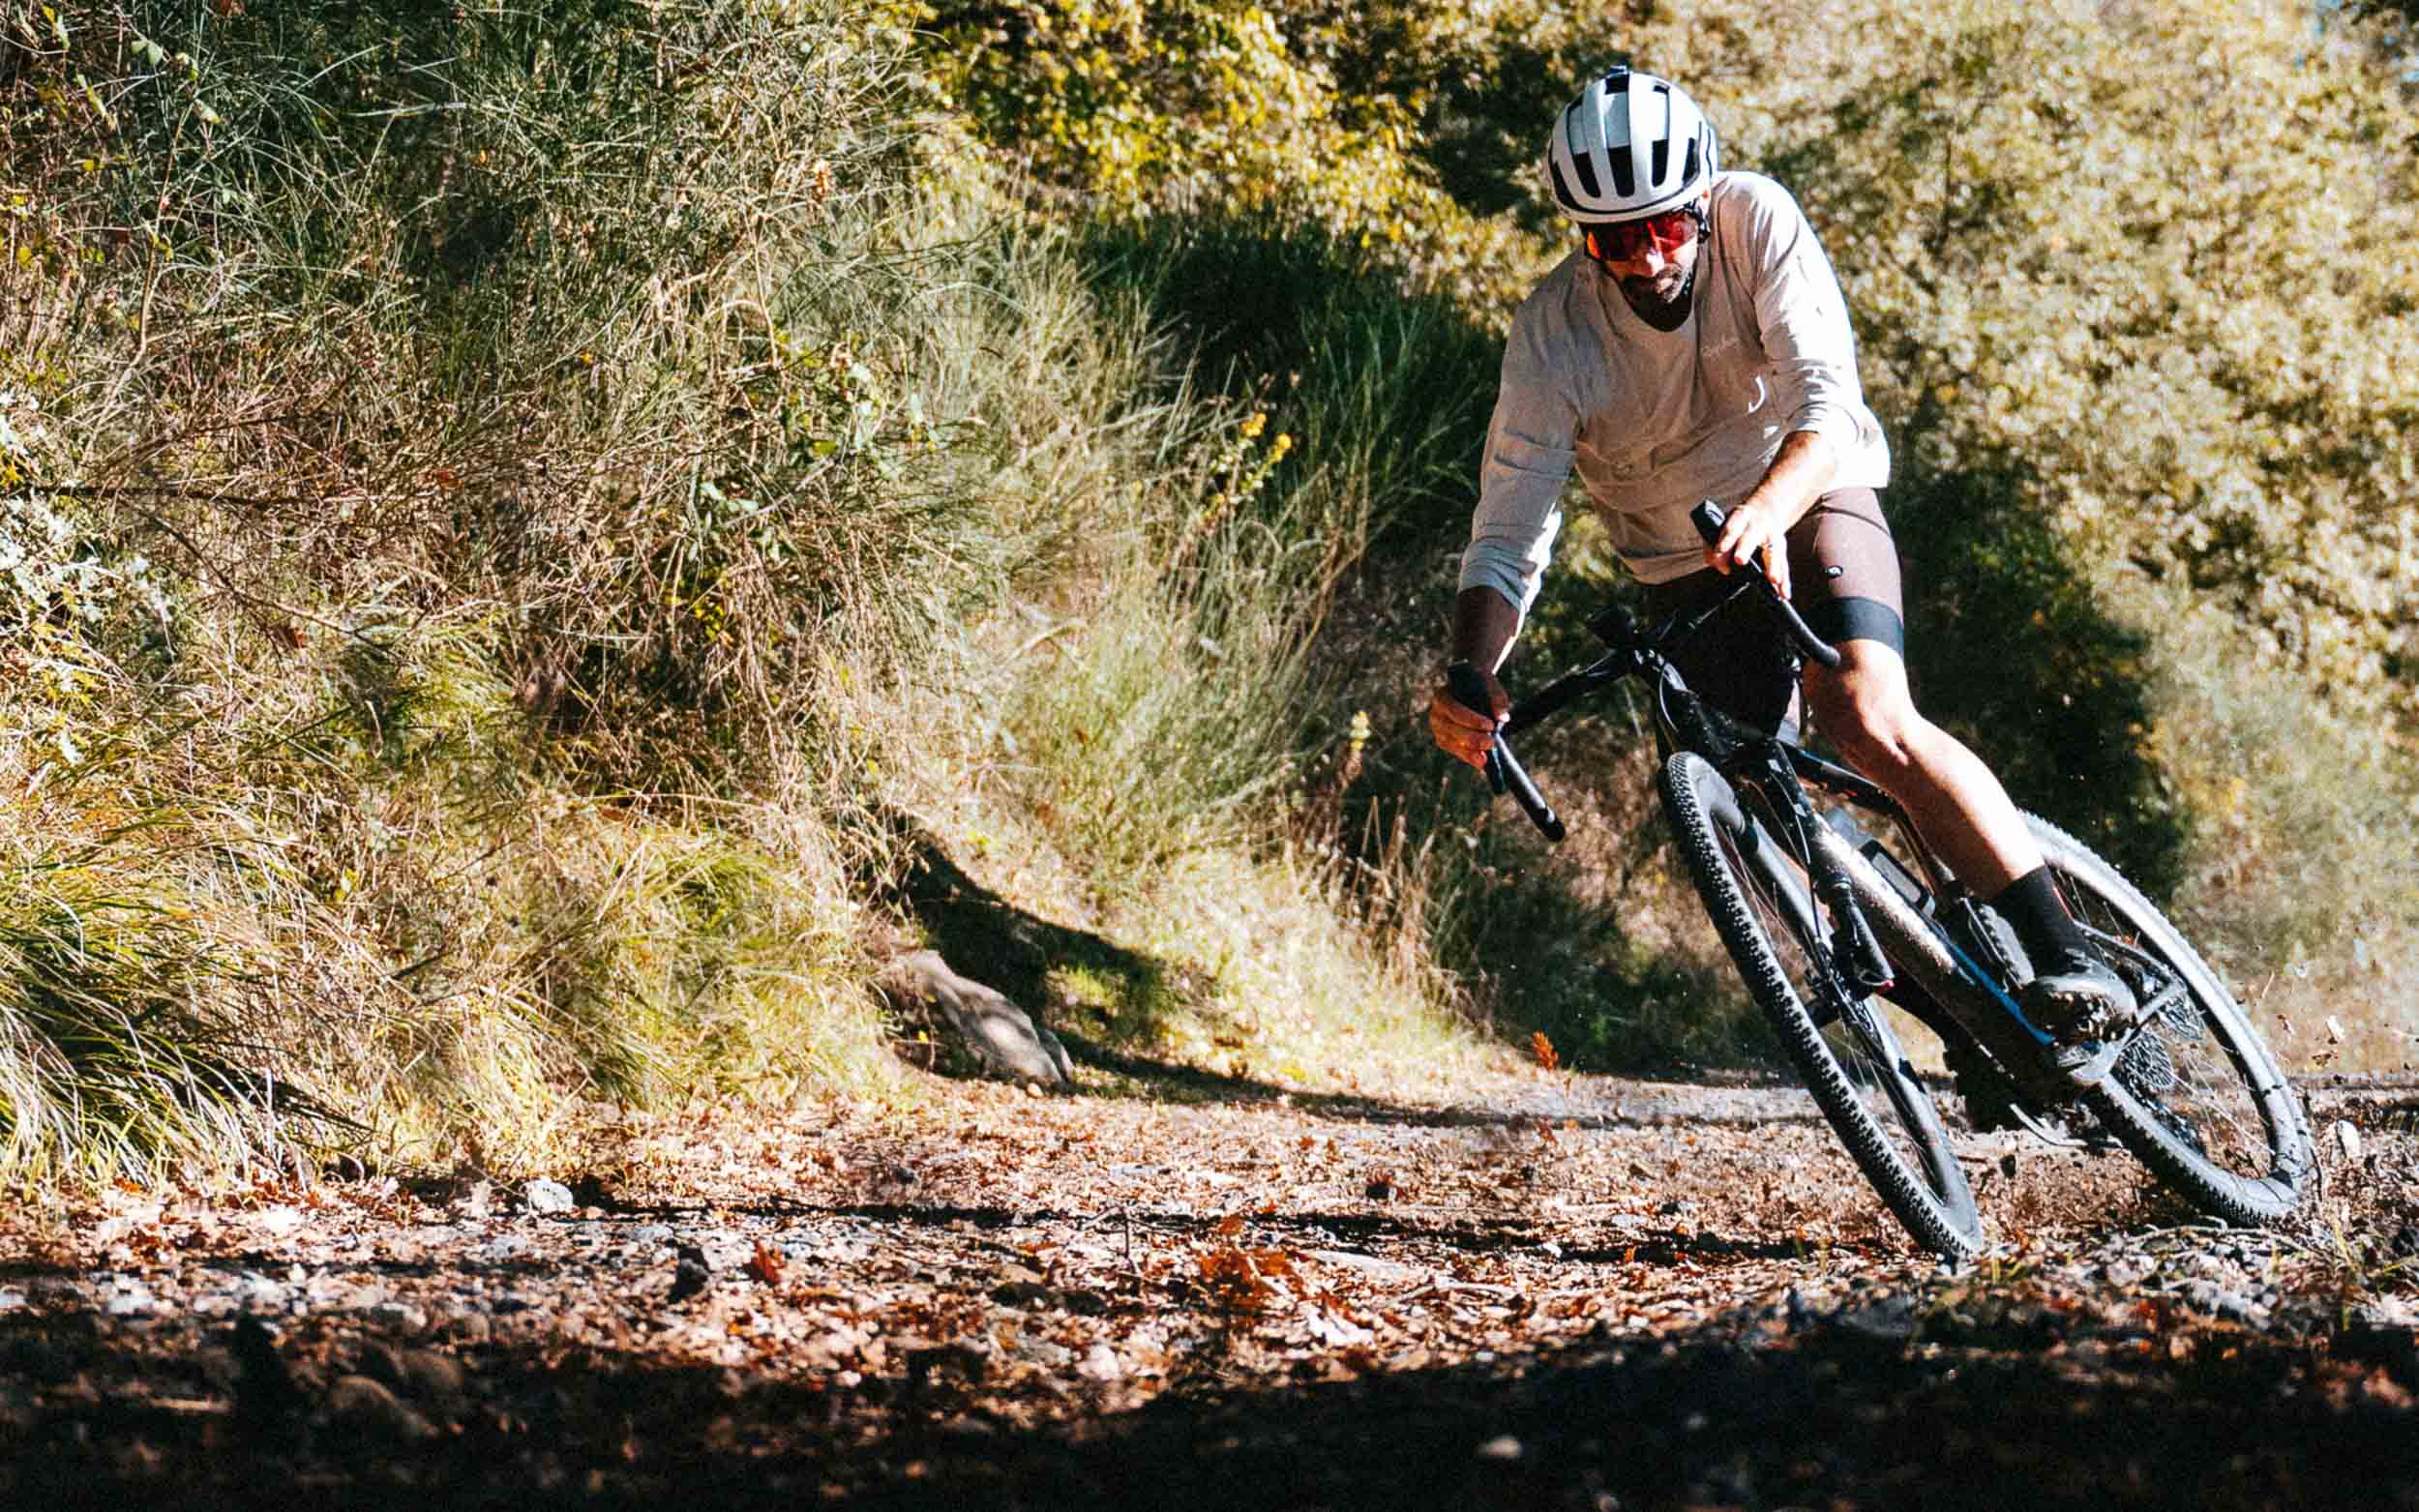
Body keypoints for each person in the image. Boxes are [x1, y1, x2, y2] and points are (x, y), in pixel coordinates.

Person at [1426, 66, 2138, 1082]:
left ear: (1701, 200)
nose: (1647, 257)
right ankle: (1969, 1025)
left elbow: (1829, 401)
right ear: (1582, 239)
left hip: (1807, 495)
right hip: (1683, 570)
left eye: (1665, 225)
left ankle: (2070, 957)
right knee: (1755, 823)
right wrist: (1472, 670)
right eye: (1615, 241)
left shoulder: (1754, 219)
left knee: (1864, 714)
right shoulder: (1554, 333)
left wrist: (1768, 505)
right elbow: (1508, 532)